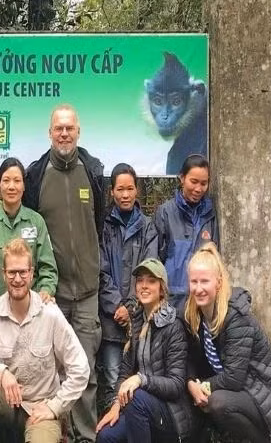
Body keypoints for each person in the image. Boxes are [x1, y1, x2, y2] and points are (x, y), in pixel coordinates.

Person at [24, 103, 105, 443]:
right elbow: (29, 231)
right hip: (49, 294)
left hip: (86, 292)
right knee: (50, 372)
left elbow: (97, 222)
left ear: (78, 131)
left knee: (83, 371)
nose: (64, 133)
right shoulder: (36, 174)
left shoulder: (95, 171)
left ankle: (86, 437)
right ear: (50, 132)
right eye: (59, 127)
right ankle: (58, 436)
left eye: (70, 127)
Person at [0, 238, 90, 443]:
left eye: (22, 272)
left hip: (40, 408)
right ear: (3, 274)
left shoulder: (50, 314)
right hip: (7, 404)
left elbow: (81, 368)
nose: (17, 279)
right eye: (12, 272)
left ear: (31, 273)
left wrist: (54, 407)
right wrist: (1, 373)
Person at [184, 243, 271, 442]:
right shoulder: (196, 316)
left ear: (218, 283)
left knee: (217, 402)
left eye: (204, 281)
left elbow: (234, 378)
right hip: (244, 395)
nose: (198, 289)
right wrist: (191, 382)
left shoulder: (236, 316)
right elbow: (190, 358)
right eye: (194, 282)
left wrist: (203, 386)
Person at [95, 259, 194, 443]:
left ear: (162, 288)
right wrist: (116, 405)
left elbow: (176, 385)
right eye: (140, 280)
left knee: (137, 398)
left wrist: (141, 379)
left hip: (171, 415)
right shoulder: (136, 320)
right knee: (106, 436)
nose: (144, 286)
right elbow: (124, 374)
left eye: (151, 281)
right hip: (140, 410)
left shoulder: (174, 326)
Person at [97, 164, 158, 410]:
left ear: (137, 191)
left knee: (139, 378)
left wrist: (131, 305)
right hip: (111, 319)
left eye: (130, 188)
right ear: (112, 192)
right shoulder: (103, 226)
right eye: (120, 189)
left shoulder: (148, 227)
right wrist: (117, 306)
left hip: (141, 316)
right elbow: (99, 271)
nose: (125, 194)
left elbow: (149, 270)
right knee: (112, 377)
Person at [0, 158, 57, 310]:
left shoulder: (36, 221)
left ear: (24, 186)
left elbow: (48, 268)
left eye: (17, 181)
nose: (11, 186)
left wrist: (45, 291)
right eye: (6, 180)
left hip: (32, 310)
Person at [153, 154, 219, 308]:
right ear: (182, 178)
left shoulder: (211, 215)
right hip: (172, 300)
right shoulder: (165, 213)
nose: (198, 189)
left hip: (202, 298)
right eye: (193, 182)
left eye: (204, 183)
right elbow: (157, 258)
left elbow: (215, 258)